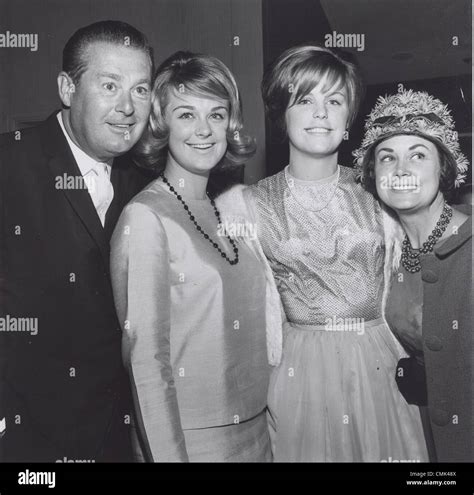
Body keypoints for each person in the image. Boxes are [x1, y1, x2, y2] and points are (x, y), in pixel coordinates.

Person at [243, 45, 429, 461]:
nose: (321, 113)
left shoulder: (380, 190)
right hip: (300, 371)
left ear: (349, 116)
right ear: (281, 112)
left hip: (377, 361)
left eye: (334, 100)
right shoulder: (251, 203)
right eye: (305, 100)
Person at [0, 20, 154, 462]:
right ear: (68, 88)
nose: (128, 107)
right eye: (110, 85)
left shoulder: (147, 183)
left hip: (118, 438)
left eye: (141, 90)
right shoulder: (10, 163)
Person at [110, 51, 272, 462]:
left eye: (216, 115)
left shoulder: (229, 209)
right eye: (186, 115)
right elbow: (146, 365)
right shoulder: (145, 217)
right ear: (161, 123)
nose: (204, 130)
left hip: (258, 432)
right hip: (193, 442)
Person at [354, 89, 472, 462]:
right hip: (419, 440)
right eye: (387, 158)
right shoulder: (385, 253)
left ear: (444, 167)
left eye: (418, 156)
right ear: (374, 174)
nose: (401, 170)